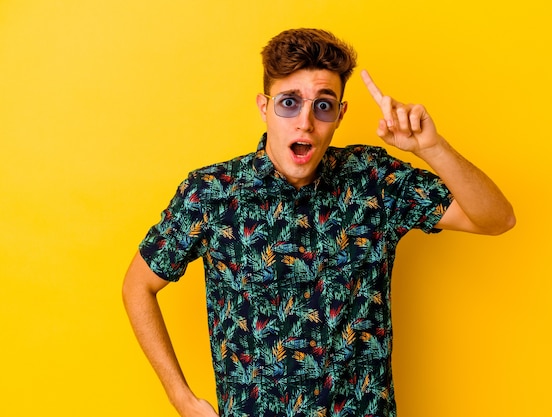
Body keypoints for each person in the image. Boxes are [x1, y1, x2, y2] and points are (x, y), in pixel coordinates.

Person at [122, 28, 515, 417]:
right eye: (289, 103)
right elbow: (138, 286)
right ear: (264, 107)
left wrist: (433, 147)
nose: (305, 122)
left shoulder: (374, 180)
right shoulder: (211, 193)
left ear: (340, 114)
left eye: (323, 105)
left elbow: (497, 219)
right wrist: (182, 399)